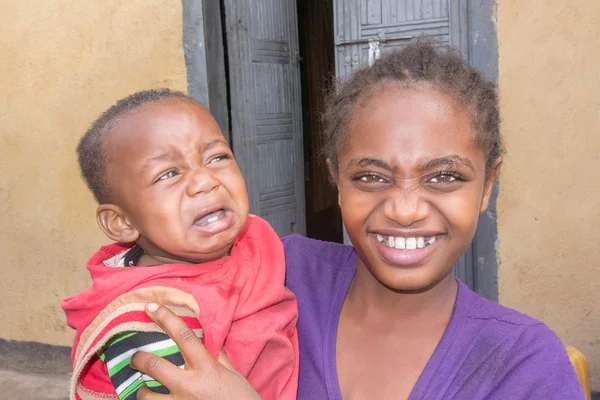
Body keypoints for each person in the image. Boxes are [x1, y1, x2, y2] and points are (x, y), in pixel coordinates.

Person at [127, 40, 585, 400]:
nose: (405, 210)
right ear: (336, 180)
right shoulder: (270, 273)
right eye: (370, 176)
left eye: (444, 176)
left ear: (488, 184)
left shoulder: (523, 363)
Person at [61, 90, 299, 400]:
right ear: (122, 222)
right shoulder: (151, 321)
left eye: (217, 157)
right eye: (168, 174)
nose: (205, 181)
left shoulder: (255, 238)